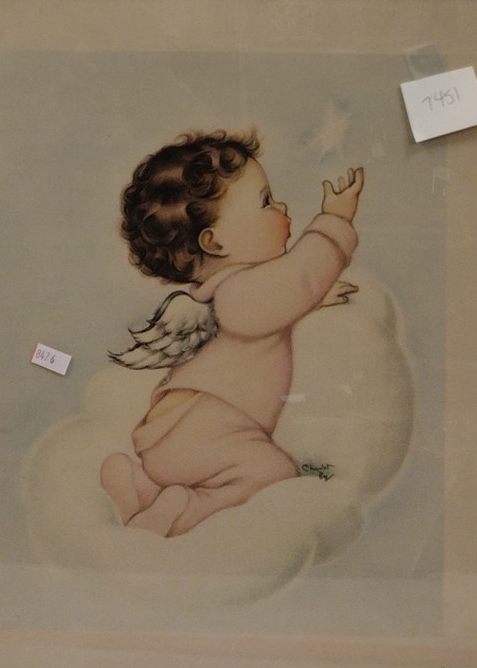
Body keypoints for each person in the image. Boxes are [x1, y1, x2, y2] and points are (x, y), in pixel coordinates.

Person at [101, 131, 363, 537]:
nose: (282, 208)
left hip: (180, 434)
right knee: (273, 474)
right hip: (211, 429)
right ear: (214, 242)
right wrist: (335, 221)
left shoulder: (231, 295)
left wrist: (310, 300)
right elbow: (300, 277)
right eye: (266, 202)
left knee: (231, 471)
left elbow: (284, 299)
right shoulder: (239, 296)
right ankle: (189, 508)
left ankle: (141, 487)